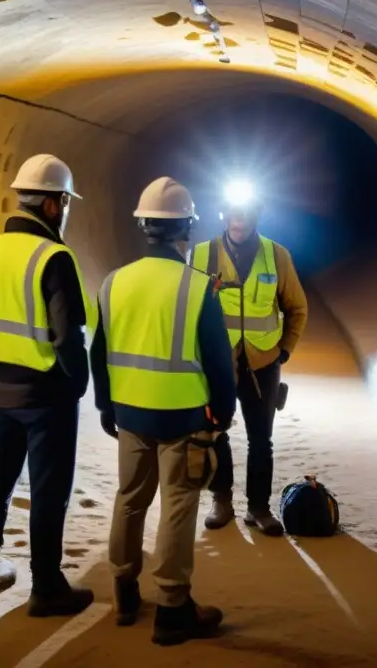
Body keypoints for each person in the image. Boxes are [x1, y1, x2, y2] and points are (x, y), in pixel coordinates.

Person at [90, 177, 236, 646]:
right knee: (178, 504)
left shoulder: (114, 282)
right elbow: (218, 361)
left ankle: (124, 592)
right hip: (182, 417)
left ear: (143, 226)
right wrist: (223, 413)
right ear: (186, 229)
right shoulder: (198, 289)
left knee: (130, 499)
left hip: (130, 412)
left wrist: (105, 406)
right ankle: (173, 608)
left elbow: (100, 351)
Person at [0, 153, 96, 617]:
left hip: (0, 389)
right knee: (48, 490)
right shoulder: (54, 256)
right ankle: (47, 585)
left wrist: (2, 357)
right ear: (54, 205)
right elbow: (67, 335)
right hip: (47, 394)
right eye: (66, 203)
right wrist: (77, 384)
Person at [189, 180, 308, 536]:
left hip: (262, 364)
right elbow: (187, 310)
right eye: (233, 213)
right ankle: (221, 500)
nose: (238, 220)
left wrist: (283, 351)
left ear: (257, 214)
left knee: (261, 439)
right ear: (223, 214)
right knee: (216, 432)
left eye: (246, 213)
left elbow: (297, 308)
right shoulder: (201, 255)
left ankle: (259, 508)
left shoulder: (277, 255)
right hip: (217, 363)